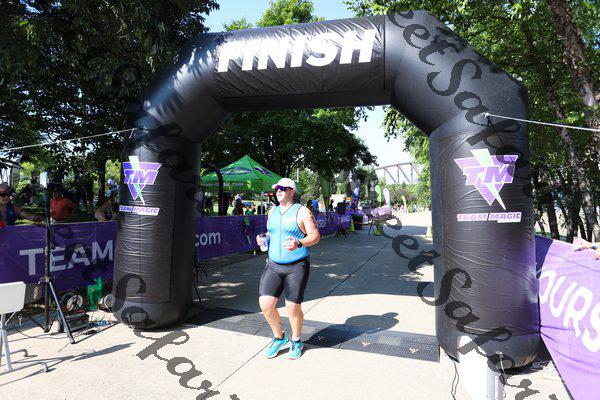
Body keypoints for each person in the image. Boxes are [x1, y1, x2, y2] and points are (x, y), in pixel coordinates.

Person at [256, 178, 320, 360]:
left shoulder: (302, 211)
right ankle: (279, 338)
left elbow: (315, 235)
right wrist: (264, 238)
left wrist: (299, 242)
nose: (279, 191)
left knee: (292, 308)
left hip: (296, 266)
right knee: (266, 305)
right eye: (277, 188)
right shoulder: (273, 211)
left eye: (283, 188)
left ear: (292, 191)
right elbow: (272, 232)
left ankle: (296, 340)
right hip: (273, 265)